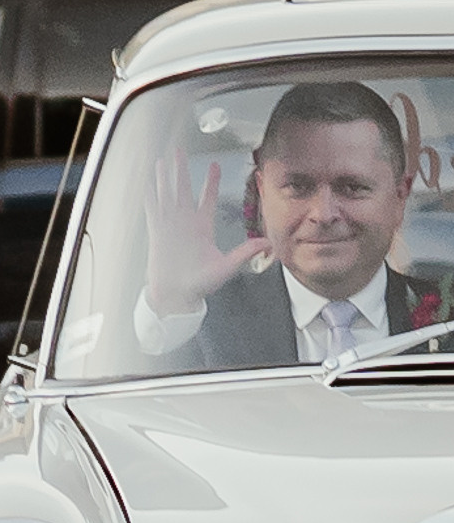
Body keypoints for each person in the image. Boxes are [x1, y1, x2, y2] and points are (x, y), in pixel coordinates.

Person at [137, 79, 423, 367]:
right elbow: (137, 379)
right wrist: (173, 305)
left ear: (400, 196)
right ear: (262, 192)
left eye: (352, 187)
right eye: (298, 187)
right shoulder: (205, 321)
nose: (323, 214)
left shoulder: (449, 320)